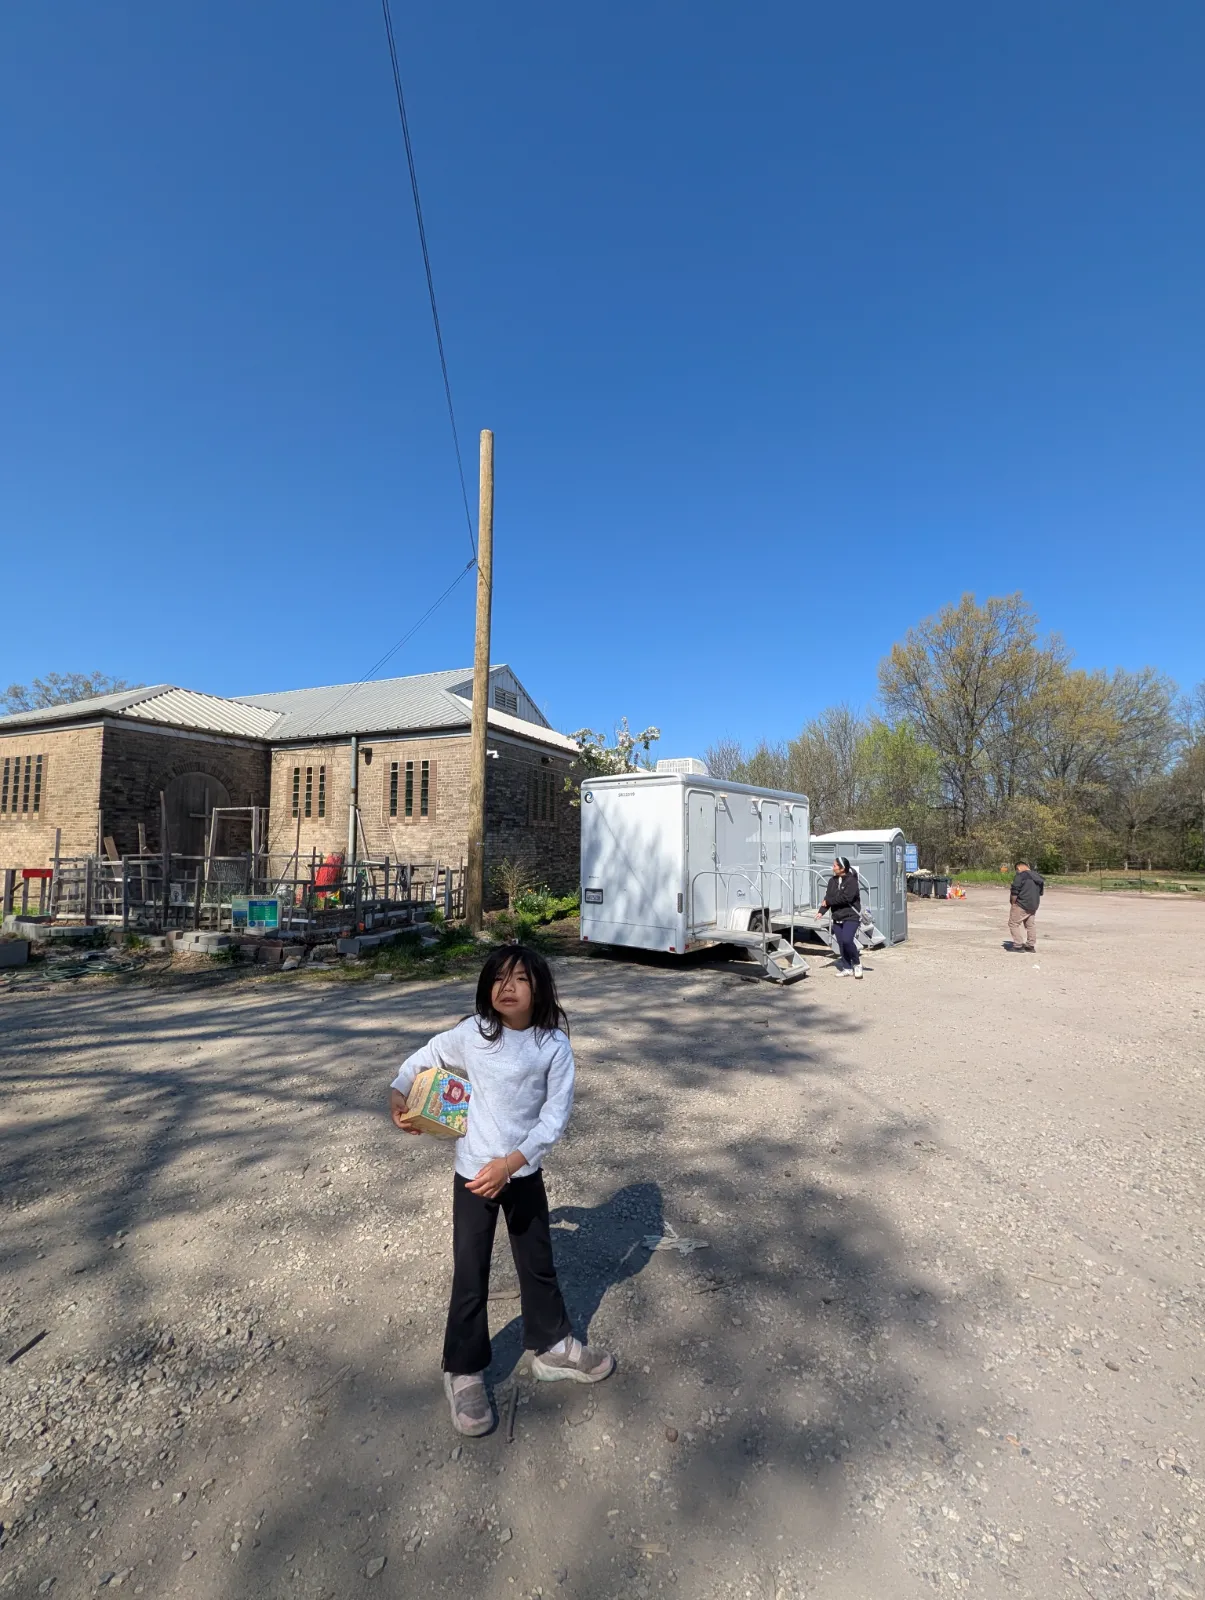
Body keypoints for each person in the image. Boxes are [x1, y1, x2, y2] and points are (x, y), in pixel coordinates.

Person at [389, 945, 614, 1437]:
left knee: (538, 1262)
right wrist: (399, 1091)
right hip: (473, 1175)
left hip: (521, 1173)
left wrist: (511, 1164)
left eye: (519, 979)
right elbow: (425, 1056)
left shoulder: (553, 1045)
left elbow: (554, 1119)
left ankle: (553, 1346)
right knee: (471, 1269)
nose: (507, 987)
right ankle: (463, 1369)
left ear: (540, 988)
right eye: (498, 978)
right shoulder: (475, 1034)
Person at [817, 856, 864, 978]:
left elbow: (846, 898)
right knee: (842, 943)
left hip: (851, 916)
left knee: (848, 940)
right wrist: (821, 911)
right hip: (837, 916)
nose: (833, 868)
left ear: (842, 868)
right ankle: (847, 967)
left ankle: (857, 964)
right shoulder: (832, 881)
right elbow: (827, 898)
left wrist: (829, 902)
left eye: (835, 866)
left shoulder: (852, 881)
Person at [1008, 861, 1045, 952]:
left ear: (1019, 868)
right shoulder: (1038, 877)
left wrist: (1013, 902)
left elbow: (1015, 891)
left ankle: (1018, 945)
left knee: (1013, 923)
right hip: (1034, 904)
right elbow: (1041, 893)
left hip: (1021, 903)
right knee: (1030, 925)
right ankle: (1030, 945)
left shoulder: (1020, 876)